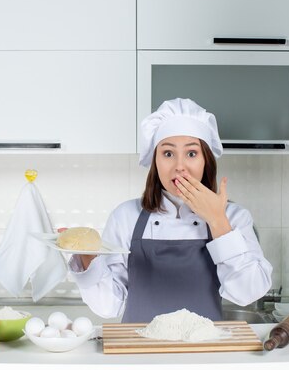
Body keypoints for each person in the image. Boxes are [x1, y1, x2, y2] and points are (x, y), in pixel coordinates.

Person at [68, 98, 273, 322]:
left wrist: (217, 221)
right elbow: (109, 306)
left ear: (206, 160)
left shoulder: (234, 217)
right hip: (139, 350)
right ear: (155, 161)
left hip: (204, 351)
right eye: (168, 153)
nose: (179, 166)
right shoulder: (126, 216)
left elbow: (248, 293)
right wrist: (87, 256)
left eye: (192, 153)